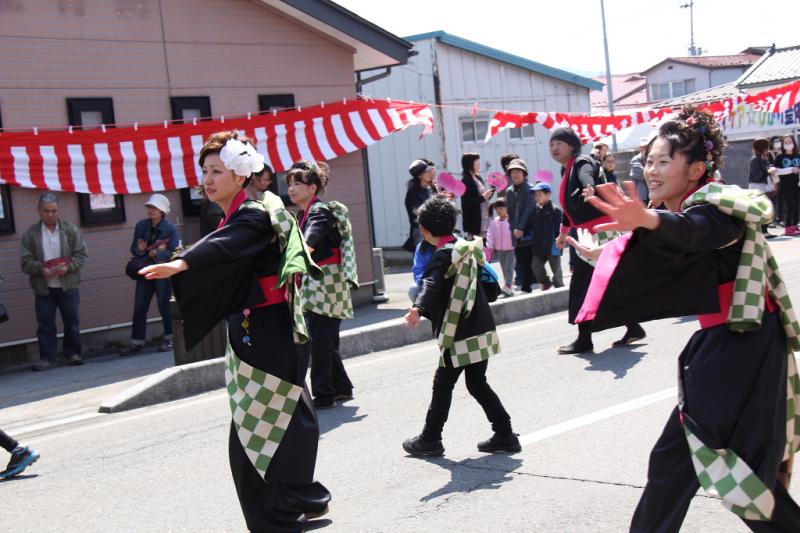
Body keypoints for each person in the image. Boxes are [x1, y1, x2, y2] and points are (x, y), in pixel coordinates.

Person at [578, 106, 800, 532]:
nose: (651, 170)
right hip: (740, 345)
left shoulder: (719, 205)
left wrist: (646, 217)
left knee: (688, 462)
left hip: (737, 349)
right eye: (649, 161)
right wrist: (608, 250)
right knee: (741, 471)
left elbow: (696, 231)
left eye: (664, 161)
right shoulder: (692, 207)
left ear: (697, 168)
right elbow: (674, 245)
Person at [139, 131, 330, 532]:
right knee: (277, 417)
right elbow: (222, 242)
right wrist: (183, 260)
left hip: (264, 330)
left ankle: (280, 512)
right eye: (204, 170)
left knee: (255, 426)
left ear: (240, 176)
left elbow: (227, 245)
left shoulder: (253, 214)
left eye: (216, 171)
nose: (207, 179)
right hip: (265, 329)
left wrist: (183, 264)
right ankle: (294, 501)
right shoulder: (241, 213)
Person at [402, 195, 520, 457]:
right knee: (477, 383)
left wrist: (418, 308)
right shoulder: (467, 248)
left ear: (424, 229)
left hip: (458, 331)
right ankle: (505, 433)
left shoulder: (441, 257)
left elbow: (429, 285)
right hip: (481, 325)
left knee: (442, 384)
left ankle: (431, 439)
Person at [550, 128, 645, 354]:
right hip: (588, 234)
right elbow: (569, 209)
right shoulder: (567, 170)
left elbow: (587, 175)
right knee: (605, 284)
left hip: (599, 233)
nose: (554, 148)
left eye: (559, 143)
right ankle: (633, 326)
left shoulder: (582, 162)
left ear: (572, 146)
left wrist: (589, 186)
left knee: (584, 285)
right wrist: (564, 233)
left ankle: (585, 339)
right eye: (551, 145)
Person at [288, 160, 357, 410]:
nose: (292, 188)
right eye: (290, 183)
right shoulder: (305, 212)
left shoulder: (319, 212)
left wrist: (301, 251)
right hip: (318, 283)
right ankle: (341, 388)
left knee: (319, 340)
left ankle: (324, 394)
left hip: (327, 283)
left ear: (313, 188)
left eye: (298, 183)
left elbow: (312, 238)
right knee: (325, 339)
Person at [20, 192, 88, 371]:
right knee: (45, 325)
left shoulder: (70, 230)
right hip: (44, 287)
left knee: (71, 321)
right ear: (38, 211)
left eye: (54, 211)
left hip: (68, 284)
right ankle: (47, 358)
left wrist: (68, 267)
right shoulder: (31, 234)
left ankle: (73, 353)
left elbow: (81, 255)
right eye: (46, 211)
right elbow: (25, 263)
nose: (50, 215)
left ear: (59, 210)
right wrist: (41, 269)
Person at [120, 194, 180, 355]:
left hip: (162, 272)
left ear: (162, 211)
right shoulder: (141, 226)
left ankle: (170, 338)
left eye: (154, 208)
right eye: (149, 207)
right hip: (145, 271)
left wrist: (159, 255)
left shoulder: (170, 229)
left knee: (164, 305)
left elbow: (175, 253)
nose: (150, 210)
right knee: (139, 306)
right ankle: (136, 342)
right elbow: (134, 249)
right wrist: (139, 250)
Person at [504, 158, 535, 292]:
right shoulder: (509, 191)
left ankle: (527, 286)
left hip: (528, 231)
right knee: (520, 260)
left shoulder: (531, 189)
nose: (515, 174)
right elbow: (510, 212)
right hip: (515, 232)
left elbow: (529, 210)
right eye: (512, 172)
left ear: (524, 173)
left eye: (518, 171)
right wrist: (513, 228)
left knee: (528, 259)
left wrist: (521, 227)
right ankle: (525, 283)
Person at [527, 183, 563, 290]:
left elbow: (561, 228)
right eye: (535, 195)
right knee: (536, 267)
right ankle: (546, 283)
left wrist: (560, 240)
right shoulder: (535, 210)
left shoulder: (555, 210)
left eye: (539, 194)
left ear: (548, 195)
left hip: (553, 245)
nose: (536, 197)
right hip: (538, 246)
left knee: (556, 269)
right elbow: (529, 225)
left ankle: (559, 286)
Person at [771, 134, 800, 236]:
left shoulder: (798, 155)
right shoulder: (780, 156)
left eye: (790, 142)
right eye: (786, 143)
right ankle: (788, 227)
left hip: (796, 185)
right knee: (791, 205)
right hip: (785, 185)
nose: (788, 144)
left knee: (797, 206)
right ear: (783, 145)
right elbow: (776, 171)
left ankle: (795, 226)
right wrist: (790, 170)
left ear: (794, 143)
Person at [404, 158, 436, 250]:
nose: (431, 173)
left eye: (431, 170)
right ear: (420, 175)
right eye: (427, 171)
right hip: (421, 231)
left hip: (434, 230)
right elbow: (419, 213)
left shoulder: (431, 188)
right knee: (423, 260)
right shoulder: (413, 193)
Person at [485, 198, 515, 296]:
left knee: (509, 268)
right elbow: (490, 234)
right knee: (503, 268)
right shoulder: (494, 222)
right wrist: (489, 246)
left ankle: (508, 286)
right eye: (497, 209)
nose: (499, 211)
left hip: (511, 248)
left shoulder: (511, 220)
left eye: (501, 208)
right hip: (500, 250)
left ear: (507, 208)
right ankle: (508, 288)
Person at [460, 152, 493, 239]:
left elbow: (483, 197)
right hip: (475, 222)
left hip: (485, 219)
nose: (479, 165)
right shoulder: (466, 180)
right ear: (470, 164)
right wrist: (483, 197)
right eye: (477, 163)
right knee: (477, 249)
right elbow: (467, 202)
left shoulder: (478, 177)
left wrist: (491, 191)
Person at [749, 138, 777, 239]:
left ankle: (765, 230)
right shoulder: (755, 159)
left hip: (763, 186)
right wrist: (768, 171)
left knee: (766, 208)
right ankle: (763, 231)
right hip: (758, 187)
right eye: (766, 147)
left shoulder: (762, 158)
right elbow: (757, 176)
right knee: (762, 208)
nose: (768, 149)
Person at [630, 137, 650, 205]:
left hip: (655, 195)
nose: (645, 149)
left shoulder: (654, 158)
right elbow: (642, 175)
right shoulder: (635, 160)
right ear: (640, 148)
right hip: (643, 197)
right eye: (643, 147)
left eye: (647, 147)